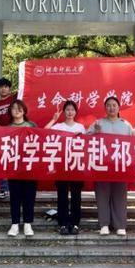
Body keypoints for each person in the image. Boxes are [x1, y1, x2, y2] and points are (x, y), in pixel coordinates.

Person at [88, 97, 133, 236]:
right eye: (108, 105)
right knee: (102, 194)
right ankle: (104, 224)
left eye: (114, 105)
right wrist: (94, 133)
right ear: (105, 108)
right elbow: (85, 139)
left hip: (120, 165)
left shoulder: (126, 125)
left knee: (120, 195)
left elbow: (134, 144)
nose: (111, 108)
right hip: (102, 165)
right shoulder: (98, 123)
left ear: (119, 108)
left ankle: (120, 225)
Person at [45, 100, 86, 235]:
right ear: (64, 112)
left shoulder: (80, 127)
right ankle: (63, 223)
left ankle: (75, 224)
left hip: (76, 165)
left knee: (76, 196)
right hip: (61, 165)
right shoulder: (58, 126)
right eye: (67, 109)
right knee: (62, 195)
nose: (69, 112)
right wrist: (53, 119)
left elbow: (86, 145)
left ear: (75, 112)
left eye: (72, 109)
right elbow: (43, 133)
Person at [7, 100, 37, 237]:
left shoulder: (31, 125)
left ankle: (27, 223)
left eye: (19, 108)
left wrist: (53, 121)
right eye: (14, 108)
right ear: (10, 111)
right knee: (15, 196)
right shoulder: (7, 128)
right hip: (13, 166)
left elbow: (42, 138)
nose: (17, 110)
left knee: (29, 196)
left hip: (30, 166)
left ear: (24, 110)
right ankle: (14, 224)